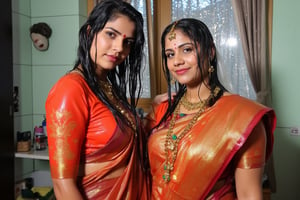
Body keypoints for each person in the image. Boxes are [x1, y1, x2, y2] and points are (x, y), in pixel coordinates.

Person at [145, 18, 276, 199]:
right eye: (170, 54)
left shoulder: (241, 117)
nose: (177, 61)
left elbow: (249, 194)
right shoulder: (162, 110)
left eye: (187, 50)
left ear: (211, 52)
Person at [45, 0, 150, 199]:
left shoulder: (108, 87)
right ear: (89, 32)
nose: (119, 48)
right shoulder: (72, 88)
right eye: (111, 34)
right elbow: (62, 184)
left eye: (127, 42)